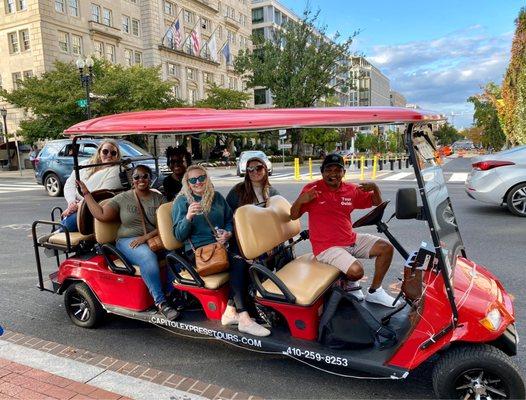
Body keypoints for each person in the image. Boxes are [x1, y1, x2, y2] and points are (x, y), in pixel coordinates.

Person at [290, 153, 399, 308]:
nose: (333, 174)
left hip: (350, 238)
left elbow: (376, 203)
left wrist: (375, 188)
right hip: (326, 247)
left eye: (337, 170)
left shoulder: (351, 190)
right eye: (329, 170)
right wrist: (301, 200)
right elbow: (293, 215)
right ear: (322, 172)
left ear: (343, 172)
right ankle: (349, 284)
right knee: (356, 271)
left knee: (386, 248)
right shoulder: (311, 190)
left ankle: (375, 292)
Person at [172, 165, 270, 337]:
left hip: (222, 246)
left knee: (253, 258)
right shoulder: (182, 201)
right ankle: (244, 318)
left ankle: (231, 311)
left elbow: (229, 220)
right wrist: (188, 217)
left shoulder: (216, 197)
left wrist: (227, 233)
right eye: (193, 180)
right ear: (186, 182)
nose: (198, 182)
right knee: (240, 262)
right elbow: (178, 235)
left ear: (207, 178)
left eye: (201, 178)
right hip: (199, 253)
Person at [77, 165, 179, 321]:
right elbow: (101, 214)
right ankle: (161, 302)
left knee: (177, 253)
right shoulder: (123, 198)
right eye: (137, 177)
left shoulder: (158, 198)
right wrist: (86, 194)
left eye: (145, 176)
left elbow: (164, 224)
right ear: (133, 179)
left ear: (150, 178)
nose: (141, 180)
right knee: (147, 257)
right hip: (128, 241)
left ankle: (173, 293)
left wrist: (145, 237)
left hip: (151, 239)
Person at [61, 140, 124, 232]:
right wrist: (71, 202)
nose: (109, 155)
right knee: (64, 222)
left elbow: (101, 194)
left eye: (113, 153)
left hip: (92, 209)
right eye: (105, 151)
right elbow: (70, 184)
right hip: (78, 205)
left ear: (117, 156)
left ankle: (56, 233)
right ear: (99, 152)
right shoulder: (86, 164)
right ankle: (56, 233)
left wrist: (76, 207)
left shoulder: (116, 170)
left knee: (67, 224)